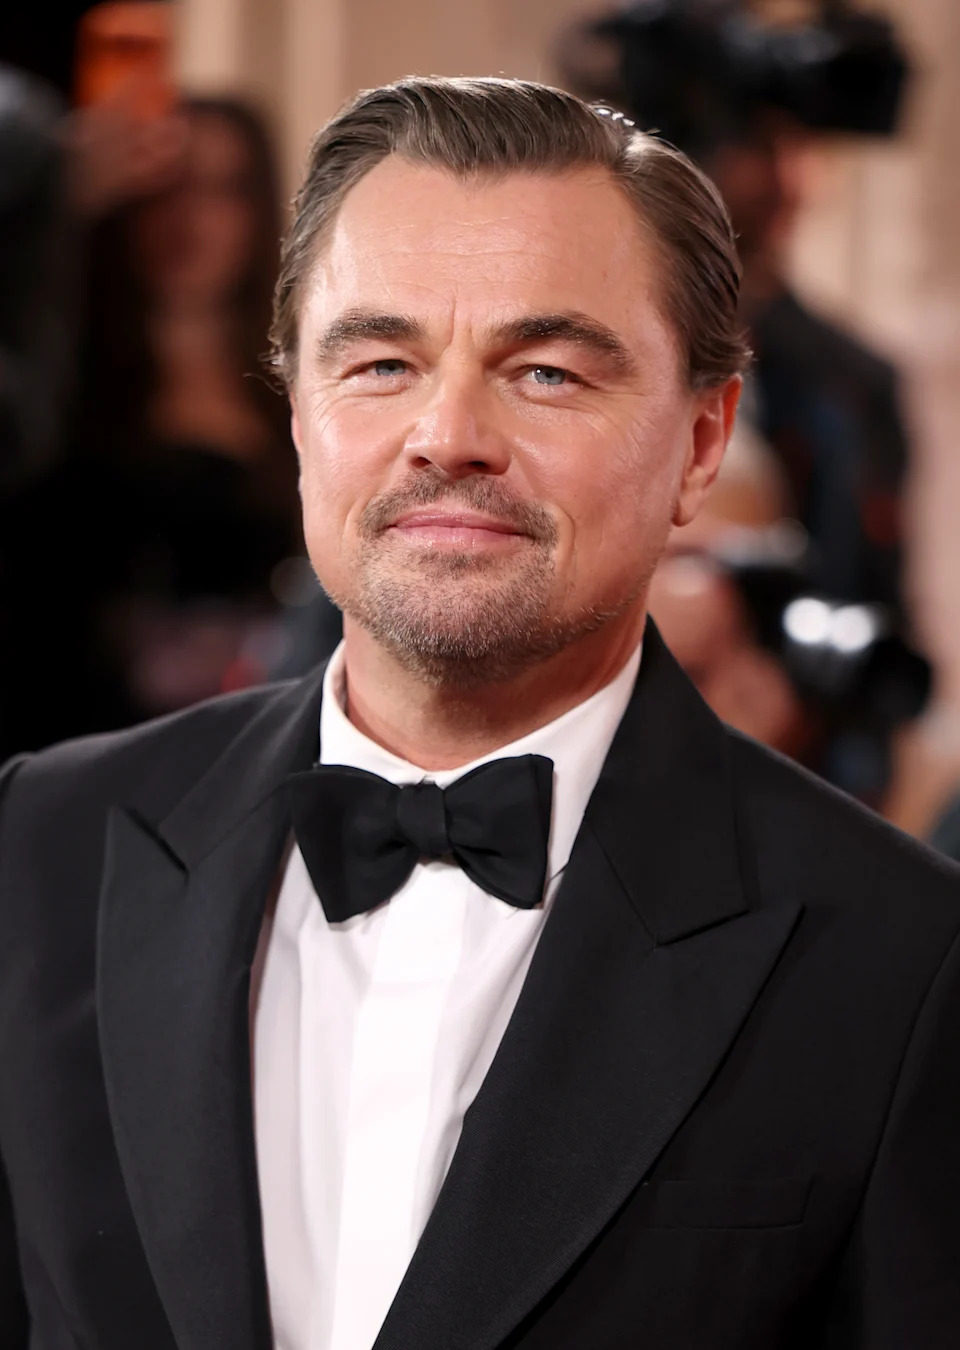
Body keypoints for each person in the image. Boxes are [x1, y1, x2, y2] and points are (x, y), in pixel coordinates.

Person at [0, 77, 958, 1350]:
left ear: (702, 440)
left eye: (548, 371)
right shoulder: (35, 850)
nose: (447, 434)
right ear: (299, 414)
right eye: (382, 361)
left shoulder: (906, 963)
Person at [0, 96, 301, 758]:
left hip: (253, 751)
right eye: (167, 187)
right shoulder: (56, 385)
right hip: (68, 740)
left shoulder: (305, 389)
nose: (190, 219)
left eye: (224, 190)